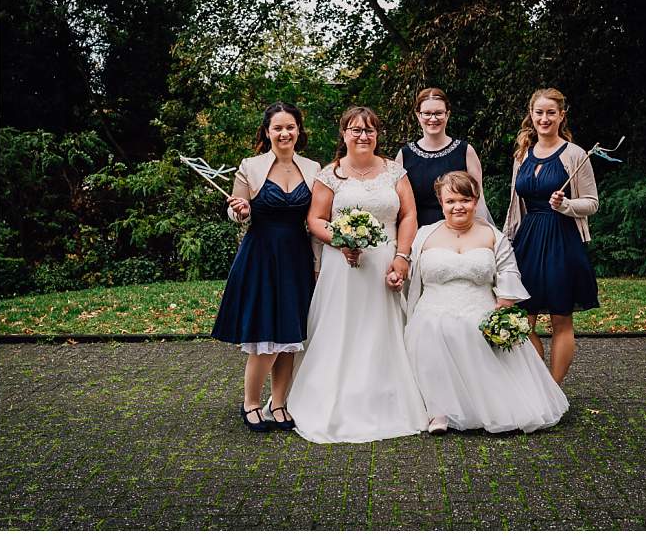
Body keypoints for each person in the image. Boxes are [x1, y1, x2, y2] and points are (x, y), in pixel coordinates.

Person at [286, 106, 428, 443]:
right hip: (344, 266)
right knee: (344, 329)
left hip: (385, 263)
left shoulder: (395, 172)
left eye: (369, 130)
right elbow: (316, 219)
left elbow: (408, 215)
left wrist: (402, 258)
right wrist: (342, 240)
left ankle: (386, 399)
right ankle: (332, 400)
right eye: (355, 130)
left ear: (377, 135)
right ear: (344, 134)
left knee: (384, 329)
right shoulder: (330, 174)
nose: (363, 136)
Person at [401, 171, 567, 434]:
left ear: (475, 200)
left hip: (481, 307)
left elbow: (509, 272)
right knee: (431, 329)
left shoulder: (492, 235)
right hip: (433, 307)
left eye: (465, 200)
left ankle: (488, 407)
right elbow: (408, 272)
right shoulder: (424, 235)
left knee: (474, 329)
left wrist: (503, 307)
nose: (458, 206)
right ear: (441, 203)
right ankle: (438, 410)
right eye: (451, 201)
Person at [212, 102, 322, 432]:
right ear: (267, 132)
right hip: (260, 255)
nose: (285, 133)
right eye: (278, 128)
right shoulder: (251, 166)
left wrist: (317, 265)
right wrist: (241, 209)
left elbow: (315, 218)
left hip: (296, 256)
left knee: (290, 333)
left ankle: (279, 402)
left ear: (299, 130)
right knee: (265, 334)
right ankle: (251, 403)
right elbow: (237, 212)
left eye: (290, 127)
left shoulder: (314, 168)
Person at [502, 88, 600, 384]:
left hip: (562, 240)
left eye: (550, 113)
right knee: (522, 319)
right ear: (531, 116)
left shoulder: (575, 155)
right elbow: (513, 205)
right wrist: (505, 242)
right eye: (539, 113)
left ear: (561, 116)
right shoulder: (522, 155)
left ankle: (554, 389)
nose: (544, 119)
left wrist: (567, 205)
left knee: (560, 318)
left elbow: (592, 203)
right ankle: (536, 385)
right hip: (528, 240)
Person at [394, 87, 492, 226]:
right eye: (427, 113)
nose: (433, 119)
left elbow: (478, 199)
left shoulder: (465, 151)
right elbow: (400, 206)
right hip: (418, 234)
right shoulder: (405, 155)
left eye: (439, 113)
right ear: (418, 115)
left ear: (447, 114)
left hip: (460, 232)